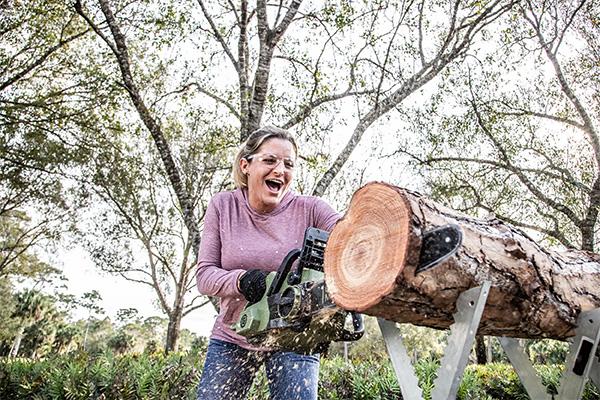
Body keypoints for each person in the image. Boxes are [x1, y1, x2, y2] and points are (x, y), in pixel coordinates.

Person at [195, 126, 340, 400]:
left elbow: (349, 233)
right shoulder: (223, 206)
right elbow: (205, 276)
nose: (279, 170)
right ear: (246, 165)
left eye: (288, 164)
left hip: (294, 334)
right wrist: (241, 280)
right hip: (234, 333)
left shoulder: (311, 209)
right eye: (270, 160)